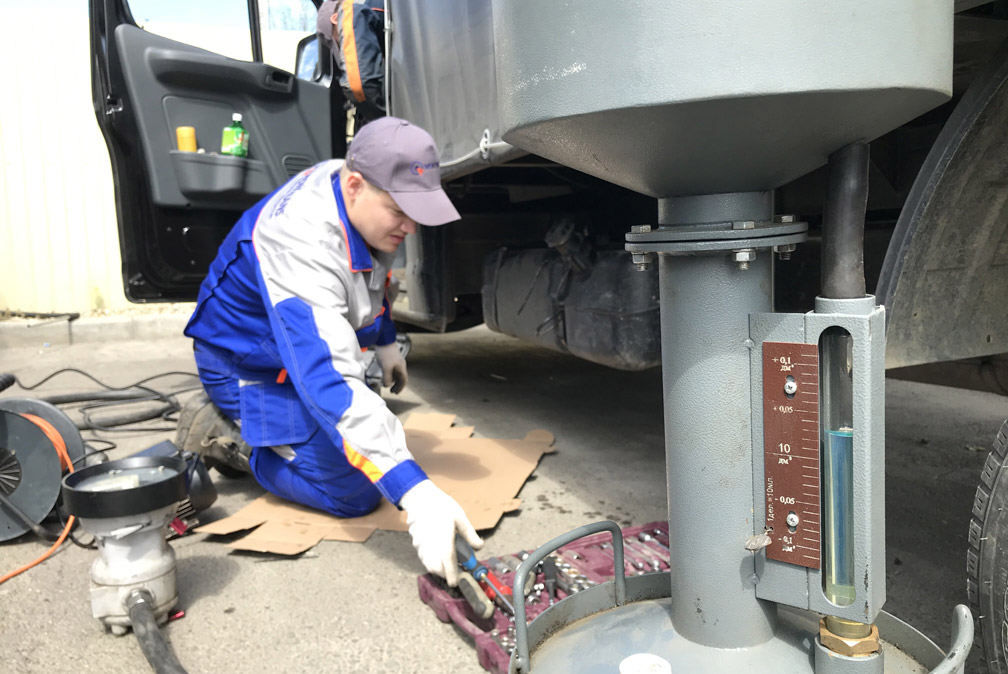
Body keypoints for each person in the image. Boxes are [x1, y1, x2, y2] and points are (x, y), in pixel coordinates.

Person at [176, 117, 480, 586]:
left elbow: (369, 277)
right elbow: (329, 381)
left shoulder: (354, 186)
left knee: (365, 427)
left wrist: (382, 341)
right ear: (355, 186)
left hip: (287, 346)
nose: (411, 226)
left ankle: (278, 429)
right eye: (401, 210)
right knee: (355, 493)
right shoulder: (300, 244)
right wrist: (414, 493)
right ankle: (230, 435)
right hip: (245, 364)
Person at [316, 0, 386, 127]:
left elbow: (358, 85)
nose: (341, 47)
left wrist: (385, 120)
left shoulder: (350, 10)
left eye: (338, 41)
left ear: (335, 19)